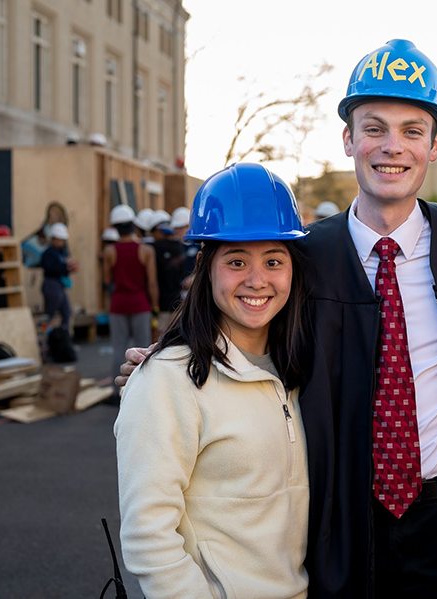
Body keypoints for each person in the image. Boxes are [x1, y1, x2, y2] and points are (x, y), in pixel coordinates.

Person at [119, 39, 437, 599]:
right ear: (348, 138)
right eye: (373, 128)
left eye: (412, 130)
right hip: (335, 515)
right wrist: (168, 366)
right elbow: (241, 318)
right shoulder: (305, 257)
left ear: (435, 144)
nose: (391, 147)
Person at [115, 163, 311, 599]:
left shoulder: (299, 368)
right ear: (206, 267)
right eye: (236, 261)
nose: (257, 280)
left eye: (273, 261)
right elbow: (150, 535)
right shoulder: (168, 380)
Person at [104, 204, 158, 398]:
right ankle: (142, 392)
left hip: (118, 304)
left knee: (119, 348)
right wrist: (155, 305)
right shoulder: (145, 250)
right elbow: (151, 282)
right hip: (140, 304)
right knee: (142, 349)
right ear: (133, 225)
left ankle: (115, 391)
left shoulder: (110, 251)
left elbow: (108, 281)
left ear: (115, 227)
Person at [40, 222, 78, 330]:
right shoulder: (48, 253)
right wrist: (65, 268)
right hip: (51, 285)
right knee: (49, 314)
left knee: (66, 312)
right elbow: (49, 269)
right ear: (53, 238)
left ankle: (64, 339)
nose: (61, 242)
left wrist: (69, 267)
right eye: (59, 240)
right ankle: (44, 338)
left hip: (59, 285)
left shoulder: (61, 252)